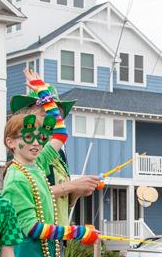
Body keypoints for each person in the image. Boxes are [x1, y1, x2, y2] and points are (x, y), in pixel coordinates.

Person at [2, 69, 99, 257]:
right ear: (11, 142)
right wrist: (76, 232)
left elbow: (61, 132)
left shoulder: (38, 162)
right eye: (28, 136)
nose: (36, 142)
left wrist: (44, 92)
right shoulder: (16, 176)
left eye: (40, 135)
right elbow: (31, 228)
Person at [9, 86, 100, 228]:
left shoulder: (58, 154)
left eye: (56, 115)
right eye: (44, 114)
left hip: (58, 234)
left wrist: (76, 191)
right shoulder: (26, 156)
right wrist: (72, 185)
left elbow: (64, 200)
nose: (50, 121)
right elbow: (32, 194)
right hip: (36, 234)